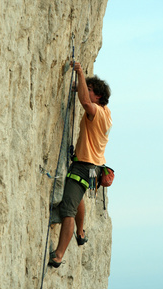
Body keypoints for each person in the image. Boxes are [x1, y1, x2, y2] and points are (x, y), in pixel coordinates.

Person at [48, 62, 112, 268]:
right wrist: (79, 86)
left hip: (84, 166)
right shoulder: (107, 113)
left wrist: (81, 72)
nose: (87, 91)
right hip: (93, 168)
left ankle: (58, 255)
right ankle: (80, 232)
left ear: (98, 97)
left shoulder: (97, 112)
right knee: (78, 197)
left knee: (69, 209)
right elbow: (85, 95)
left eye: (91, 90)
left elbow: (85, 101)